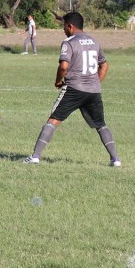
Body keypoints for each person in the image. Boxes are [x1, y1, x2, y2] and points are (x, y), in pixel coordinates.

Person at [23, 11, 121, 167]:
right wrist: (94, 83)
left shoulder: (69, 42)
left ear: (70, 26)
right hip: (93, 91)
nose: (63, 30)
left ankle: (35, 157)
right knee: (101, 124)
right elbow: (104, 65)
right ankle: (115, 160)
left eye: (64, 26)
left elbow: (63, 66)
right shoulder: (94, 41)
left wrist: (58, 81)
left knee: (53, 120)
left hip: (74, 89)